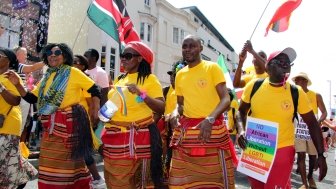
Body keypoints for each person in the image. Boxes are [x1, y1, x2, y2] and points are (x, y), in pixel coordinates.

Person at [6, 43, 101, 189]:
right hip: (50, 126)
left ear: (65, 56)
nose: (52, 55)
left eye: (57, 52)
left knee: (69, 166)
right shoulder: (47, 76)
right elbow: (32, 98)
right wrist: (18, 84)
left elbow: (95, 89)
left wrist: (95, 110)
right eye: (49, 52)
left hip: (70, 125)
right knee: (48, 166)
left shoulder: (72, 72)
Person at [238, 47, 327, 188]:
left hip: (283, 151)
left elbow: (312, 124)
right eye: (280, 61)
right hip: (255, 148)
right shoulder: (253, 86)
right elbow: (241, 111)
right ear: (268, 65)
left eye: (288, 63)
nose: (285, 65)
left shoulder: (296, 92)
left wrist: (321, 155)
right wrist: (242, 130)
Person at [169, 35, 235, 188]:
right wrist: (174, 113)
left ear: (201, 48)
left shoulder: (212, 68)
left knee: (215, 179)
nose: (188, 49)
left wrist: (209, 119)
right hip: (187, 135)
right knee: (180, 181)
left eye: (192, 46)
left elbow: (226, 99)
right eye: (185, 46)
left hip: (211, 131)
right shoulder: (180, 74)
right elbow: (180, 105)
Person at [101, 41, 164, 189]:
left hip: (137, 139)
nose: (123, 59)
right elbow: (114, 105)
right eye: (122, 56)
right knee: (113, 181)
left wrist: (141, 94)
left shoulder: (149, 79)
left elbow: (161, 108)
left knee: (135, 183)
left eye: (128, 56)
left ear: (140, 58)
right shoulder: (119, 79)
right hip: (113, 138)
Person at [0, 47, 37, 189]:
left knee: (7, 164)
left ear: (8, 60)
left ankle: (21, 177)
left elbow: (16, 100)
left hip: (8, 125)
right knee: (11, 162)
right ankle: (25, 173)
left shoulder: (11, 76)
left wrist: (1, 88)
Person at [73, 54, 106, 189]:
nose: (72, 64)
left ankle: (97, 177)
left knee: (85, 149)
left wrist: (93, 118)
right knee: (80, 150)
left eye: (75, 62)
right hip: (72, 119)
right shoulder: (71, 77)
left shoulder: (84, 80)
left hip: (82, 119)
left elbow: (91, 102)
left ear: (82, 66)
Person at [292, 72, 327, 189]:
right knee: (301, 156)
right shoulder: (294, 95)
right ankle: (305, 184)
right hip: (299, 130)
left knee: (312, 157)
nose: (296, 82)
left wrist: (319, 121)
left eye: (299, 80)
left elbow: (324, 112)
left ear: (306, 81)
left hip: (312, 130)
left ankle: (310, 176)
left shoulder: (316, 95)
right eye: (295, 81)